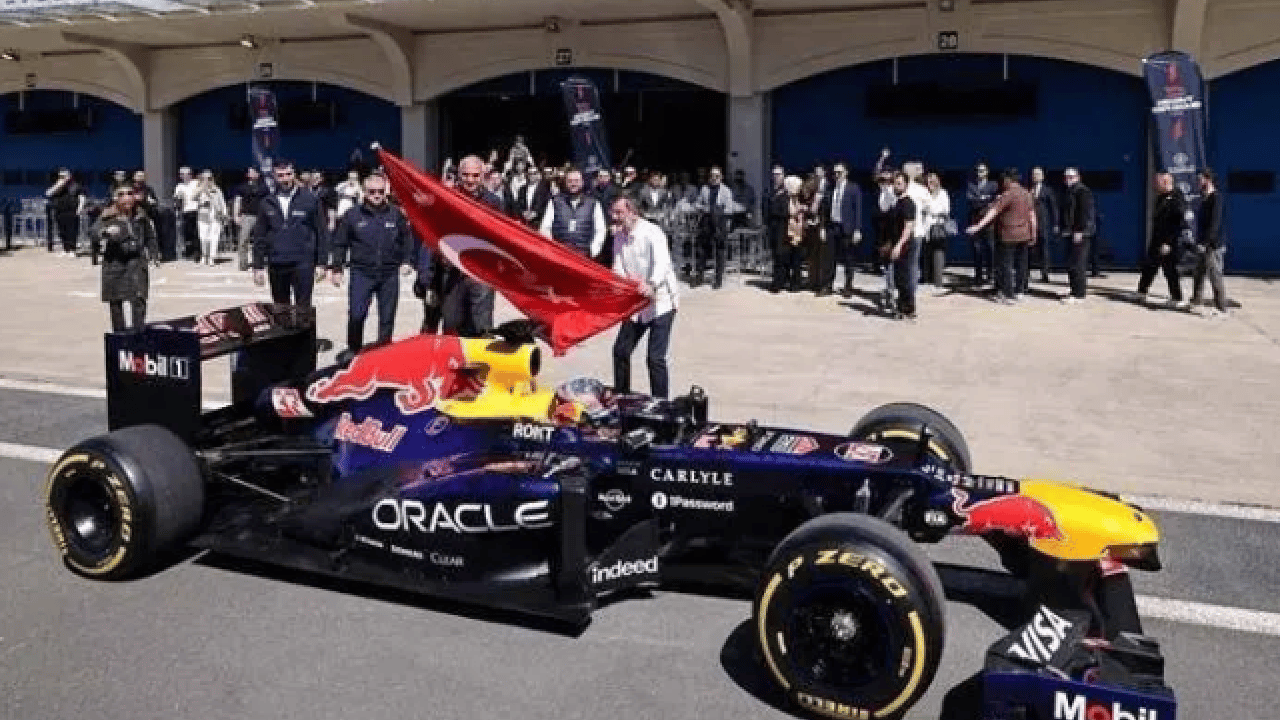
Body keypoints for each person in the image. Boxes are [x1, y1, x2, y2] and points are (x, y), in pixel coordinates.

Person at [329, 173, 413, 353]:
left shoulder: (396, 214)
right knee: (357, 315)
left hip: (388, 274)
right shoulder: (352, 215)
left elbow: (407, 239)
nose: (376, 195)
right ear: (364, 192)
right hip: (362, 273)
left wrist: (407, 261)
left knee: (387, 318)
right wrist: (337, 268)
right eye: (372, 191)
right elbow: (340, 243)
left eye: (380, 192)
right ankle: (353, 351)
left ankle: (383, 353)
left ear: (386, 192)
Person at [609, 197, 679, 399]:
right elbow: (618, 266)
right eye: (613, 213)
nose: (615, 218)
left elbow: (662, 263)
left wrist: (652, 283)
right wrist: (619, 285)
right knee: (621, 351)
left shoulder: (652, 232)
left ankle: (661, 404)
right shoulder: (619, 237)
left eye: (619, 213)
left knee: (654, 358)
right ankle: (622, 397)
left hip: (661, 301)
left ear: (632, 212)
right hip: (636, 303)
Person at [434, 154, 502, 336]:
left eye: (475, 175)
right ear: (458, 175)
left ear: (483, 176)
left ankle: (480, 363)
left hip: (482, 272)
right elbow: (434, 233)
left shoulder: (494, 203)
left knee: (482, 324)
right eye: (465, 175)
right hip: (452, 271)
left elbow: (502, 238)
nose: (470, 180)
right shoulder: (446, 199)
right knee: (452, 322)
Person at [251, 160, 330, 307]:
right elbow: (259, 236)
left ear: (294, 174)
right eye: (280, 175)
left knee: (304, 308)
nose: (285, 179)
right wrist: (258, 266)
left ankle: (305, 331)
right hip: (277, 263)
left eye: (288, 174)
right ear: (274, 177)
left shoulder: (310, 199)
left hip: (303, 263)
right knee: (281, 309)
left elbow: (322, 232)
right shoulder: (266, 202)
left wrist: (322, 263)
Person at [91, 185, 159, 332]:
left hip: (136, 261)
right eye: (121, 194)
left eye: (129, 193)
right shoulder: (107, 215)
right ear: (115, 198)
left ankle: (138, 334)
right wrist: (105, 232)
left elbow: (149, 236)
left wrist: (154, 253)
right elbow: (94, 232)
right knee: (116, 301)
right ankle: (120, 336)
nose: (126, 197)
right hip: (115, 262)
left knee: (139, 299)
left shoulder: (141, 215)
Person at [966, 168, 1036, 304]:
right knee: (1022, 265)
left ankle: (1008, 295)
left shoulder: (1007, 194)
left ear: (1008, 180)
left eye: (1004, 180)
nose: (1002, 183)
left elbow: (993, 211)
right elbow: (1032, 216)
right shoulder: (1027, 194)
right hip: (1024, 235)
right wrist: (1034, 233)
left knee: (1006, 265)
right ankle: (1020, 292)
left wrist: (978, 226)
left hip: (1008, 235)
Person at [1136, 172, 1188, 309]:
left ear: (1166, 182)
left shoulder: (1177, 197)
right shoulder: (1160, 197)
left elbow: (1178, 222)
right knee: (1149, 267)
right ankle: (1141, 292)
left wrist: (1169, 242)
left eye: (1157, 182)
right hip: (1157, 239)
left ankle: (1177, 298)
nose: (1154, 185)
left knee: (1170, 270)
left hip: (1168, 241)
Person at [539, 168, 607, 259]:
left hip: (584, 256)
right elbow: (545, 228)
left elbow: (600, 230)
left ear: (582, 182)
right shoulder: (555, 202)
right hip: (559, 253)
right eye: (570, 181)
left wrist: (592, 251)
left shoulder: (594, 203)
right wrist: (550, 249)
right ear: (565, 183)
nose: (573, 184)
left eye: (576, 181)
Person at [1190, 169, 1228, 317]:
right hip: (1203, 244)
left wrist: (1205, 242)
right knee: (1199, 273)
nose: (1197, 182)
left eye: (1200, 179)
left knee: (1215, 275)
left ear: (1207, 179)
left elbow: (1214, 224)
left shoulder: (1216, 198)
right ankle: (1196, 302)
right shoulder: (1204, 199)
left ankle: (1221, 307)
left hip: (1213, 245)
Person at [1059, 167, 1095, 304]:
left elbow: (1083, 212)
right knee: (1070, 262)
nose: (1068, 179)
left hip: (1080, 233)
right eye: (1066, 177)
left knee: (1077, 263)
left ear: (1078, 177)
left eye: (1071, 177)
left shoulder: (1082, 191)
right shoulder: (1069, 191)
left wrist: (1079, 231)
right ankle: (1074, 289)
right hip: (1070, 232)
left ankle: (1079, 294)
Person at [886, 172, 918, 320]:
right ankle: (902, 307)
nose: (896, 186)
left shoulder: (908, 203)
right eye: (894, 183)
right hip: (896, 243)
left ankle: (909, 309)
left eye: (899, 183)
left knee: (904, 278)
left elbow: (908, 227)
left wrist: (899, 245)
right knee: (899, 278)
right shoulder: (897, 202)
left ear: (906, 185)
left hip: (904, 245)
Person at [769, 175, 807, 293]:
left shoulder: (800, 198)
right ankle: (778, 284)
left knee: (796, 261)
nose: (799, 188)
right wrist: (792, 213)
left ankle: (795, 285)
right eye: (797, 186)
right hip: (784, 233)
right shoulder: (781, 198)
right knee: (781, 260)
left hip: (798, 233)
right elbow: (775, 212)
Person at [966, 163, 998, 286]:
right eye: (978, 170)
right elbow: (972, 202)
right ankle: (978, 275)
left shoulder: (993, 185)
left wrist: (980, 198)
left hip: (989, 222)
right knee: (976, 249)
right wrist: (985, 199)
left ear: (987, 172)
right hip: (975, 221)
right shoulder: (971, 185)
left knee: (991, 248)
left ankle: (991, 274)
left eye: (982, 170)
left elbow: (995, 201)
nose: (980, 172)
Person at [232, 167, 269, 271]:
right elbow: (237, 201)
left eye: (254, 172)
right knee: (243, 240)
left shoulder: (264, 187)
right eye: (250, 172)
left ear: (258, 174)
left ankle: (258, 263)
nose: (252, 173)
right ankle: (243, 264)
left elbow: (267, 202)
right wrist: (236, 215)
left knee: (259, 241)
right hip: (247, 216)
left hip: (260, 217)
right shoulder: (242, 187)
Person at [920, 171, 952, 289]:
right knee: (925, 253)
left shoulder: (943, 193)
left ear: (938, 181)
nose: (931, 183)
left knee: (938, 254)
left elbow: (946, 210)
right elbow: (920, 208)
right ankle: (926, 279)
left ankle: (938, 281)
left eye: (933, 180)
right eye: (929, 181)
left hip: (938, 227)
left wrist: (931, 211)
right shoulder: (924, 193)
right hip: (925, 227)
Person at [45, 168, 85, 259]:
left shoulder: (76, 185)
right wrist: (59, 185)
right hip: (59, 210)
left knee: (72, 231)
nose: (63, 177)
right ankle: (65, 249)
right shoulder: (57, 185)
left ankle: (72, 250)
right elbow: (48, 193)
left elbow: (82, 197)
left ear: (69, 176)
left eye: (65, 176)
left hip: (72, 210)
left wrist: (80, 208)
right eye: (61, 176)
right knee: (62, 231)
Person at [195, 170, 228, 266]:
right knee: (203, 238)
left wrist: (224, 215)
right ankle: (204, 255)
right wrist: (202, 189)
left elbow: (222, 203)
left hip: (215, 217)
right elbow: (192, 198)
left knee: (214, 238)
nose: (207, 180)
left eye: (209, 178)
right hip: (203, 217)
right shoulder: (198, 189)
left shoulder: (216, 190)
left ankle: (211, 258)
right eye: (204, 178)